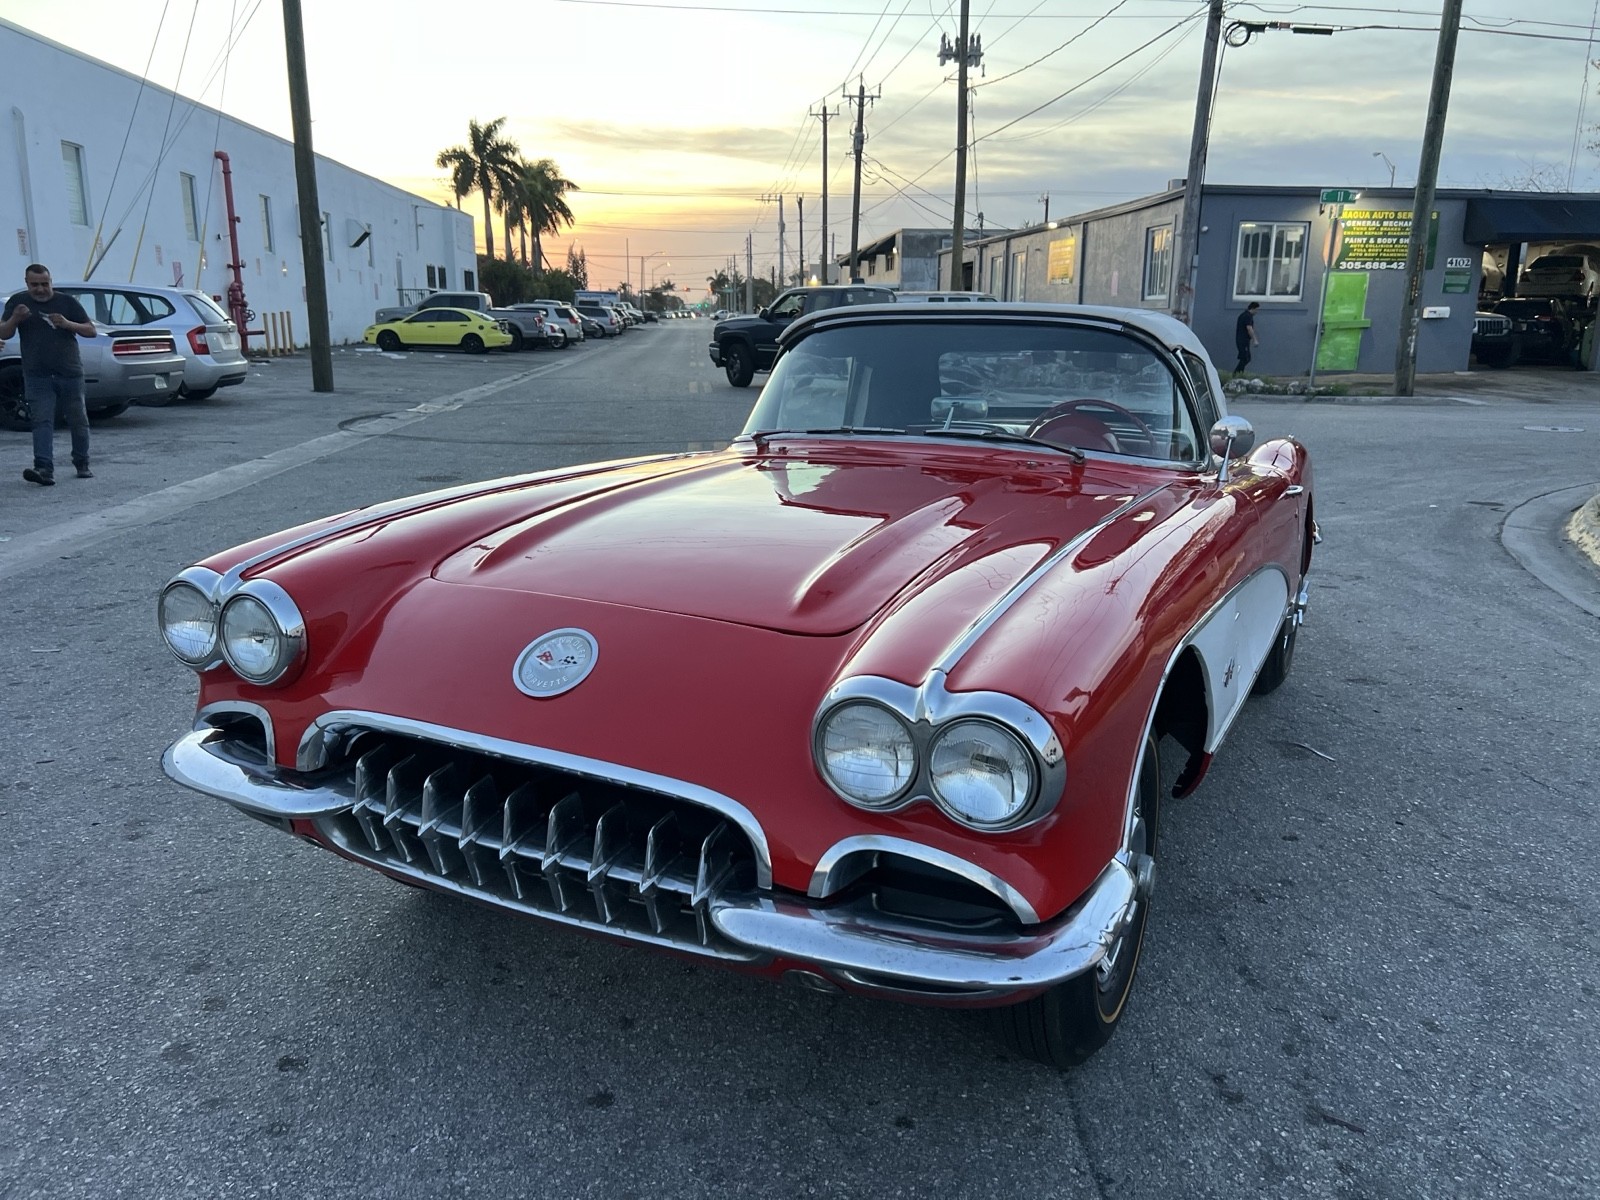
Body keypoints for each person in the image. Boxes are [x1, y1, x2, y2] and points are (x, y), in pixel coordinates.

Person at [0, 264, 97, 485]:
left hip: (69, 372)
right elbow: (4, 332)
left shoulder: (67, 302)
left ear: (51, 281)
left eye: (45, 284)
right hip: (37, 375)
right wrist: (15, 318)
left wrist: (67, 323)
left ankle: (82, 462)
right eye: (35, 285)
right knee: (41, 421)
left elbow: (91, 330)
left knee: (78, 420)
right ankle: (43, 468)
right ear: (27, 283)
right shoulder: (18, 302)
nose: (41, 289)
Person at [1233, 301, 1260, 375]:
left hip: (1242, 340)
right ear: (1253, 309)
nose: (1257, 312)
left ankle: (1239, 374)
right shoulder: (1247, 316)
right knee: (1245, 358)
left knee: (1245, 358)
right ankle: (1236, 374)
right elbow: (1249, 328)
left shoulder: (1244, 315)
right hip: (1243, 340)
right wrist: (1255, 340)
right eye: (1257, 310)